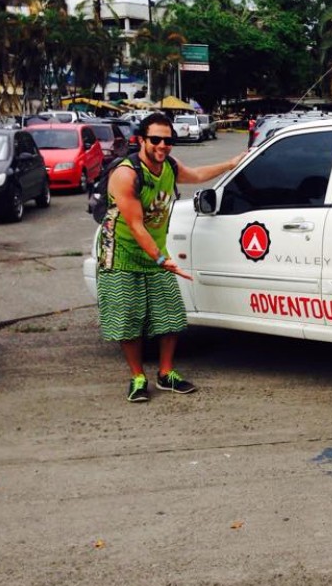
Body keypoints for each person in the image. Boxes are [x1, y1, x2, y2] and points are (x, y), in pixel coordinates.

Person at [96, 112, 245, 403]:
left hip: (155, 252)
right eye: (155, 139)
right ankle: (137, 376)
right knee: (129, 318)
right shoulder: (126, 175)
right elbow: (136, 226)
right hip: (121, 253)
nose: (162, 145)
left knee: (171, 315)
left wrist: (230, 164)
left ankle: (165, 374)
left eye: (168, 140)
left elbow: (198, 175)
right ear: (141, 139)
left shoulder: (169, 167)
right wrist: (161, 259)